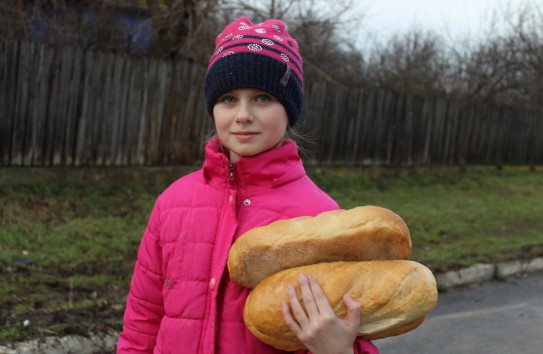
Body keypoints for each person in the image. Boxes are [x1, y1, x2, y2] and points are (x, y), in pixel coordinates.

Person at [117, 16, 379, 354]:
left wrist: (338, 351)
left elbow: (351, 330)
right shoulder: (173, 202)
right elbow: (143, 318)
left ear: (289, 109)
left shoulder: (322, 218)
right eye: (229, 99)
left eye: (262, 98)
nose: (242, 114)